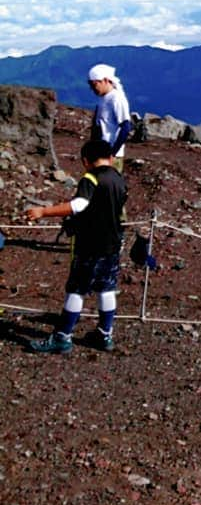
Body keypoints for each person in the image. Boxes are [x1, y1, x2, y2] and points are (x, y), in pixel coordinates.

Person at [25, 138, 127, 354]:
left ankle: (63, 337)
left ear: (85, 161)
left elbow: (78, 205)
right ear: (110, 158)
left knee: (77, 290)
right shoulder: (119, 179)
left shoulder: (90, 178)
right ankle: (104, 334)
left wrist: (44, 211)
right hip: (112, 244)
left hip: (90, 245)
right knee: (106, 288)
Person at [87, 63, 132, 172]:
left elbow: (125, 127)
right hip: (101, 151)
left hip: (110, 154)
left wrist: (113, 153)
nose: (92, 89)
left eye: (95, 84)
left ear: (106, 80)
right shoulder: (103, 98)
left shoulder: (116, 98)